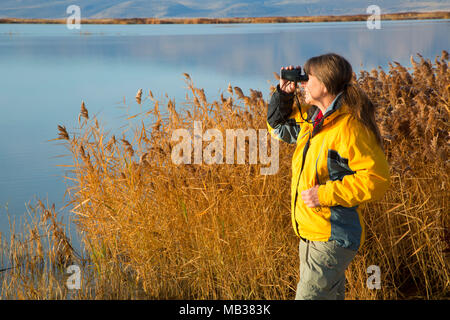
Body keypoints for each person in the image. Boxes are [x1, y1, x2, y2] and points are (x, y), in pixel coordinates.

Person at [267, 53, 390, 300]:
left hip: (331, 236)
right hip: (311, 233)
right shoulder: (314, 121)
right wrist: (284, 95)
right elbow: (278, 129)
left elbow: (377, 179)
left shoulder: (348, 127)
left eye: (308, 78)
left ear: (323, 85)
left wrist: (324, 194)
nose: (303, 83)